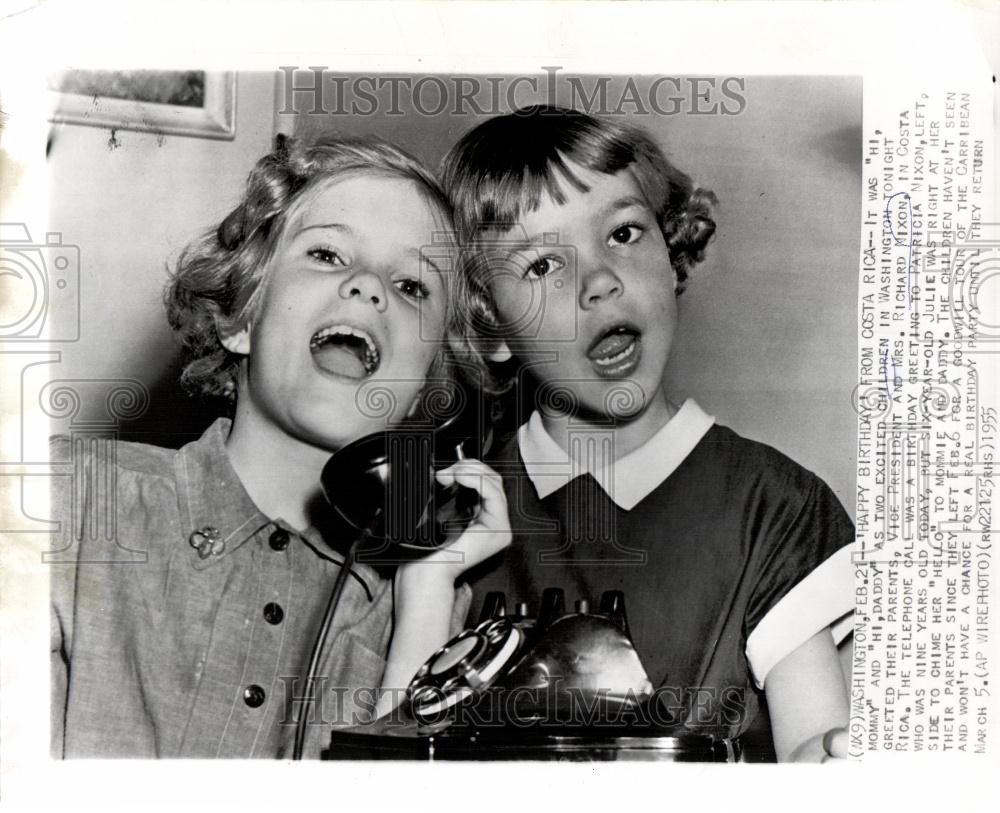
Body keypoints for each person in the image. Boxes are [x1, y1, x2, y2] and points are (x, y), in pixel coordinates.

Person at [49, 136, 510, 758]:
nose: (370, 287)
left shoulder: (422, 611)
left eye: (411, 286)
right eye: (327, 253)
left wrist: (429, 587)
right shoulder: (69, 503)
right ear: (239, 319)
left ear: (426, 383)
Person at [438, 106, 853, 762]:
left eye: (625, 233)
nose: (600, 280)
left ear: (672, 246)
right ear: (488, 323)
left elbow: (812, 741)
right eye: (543, 266)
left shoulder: (774, 506)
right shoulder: (459, 514)